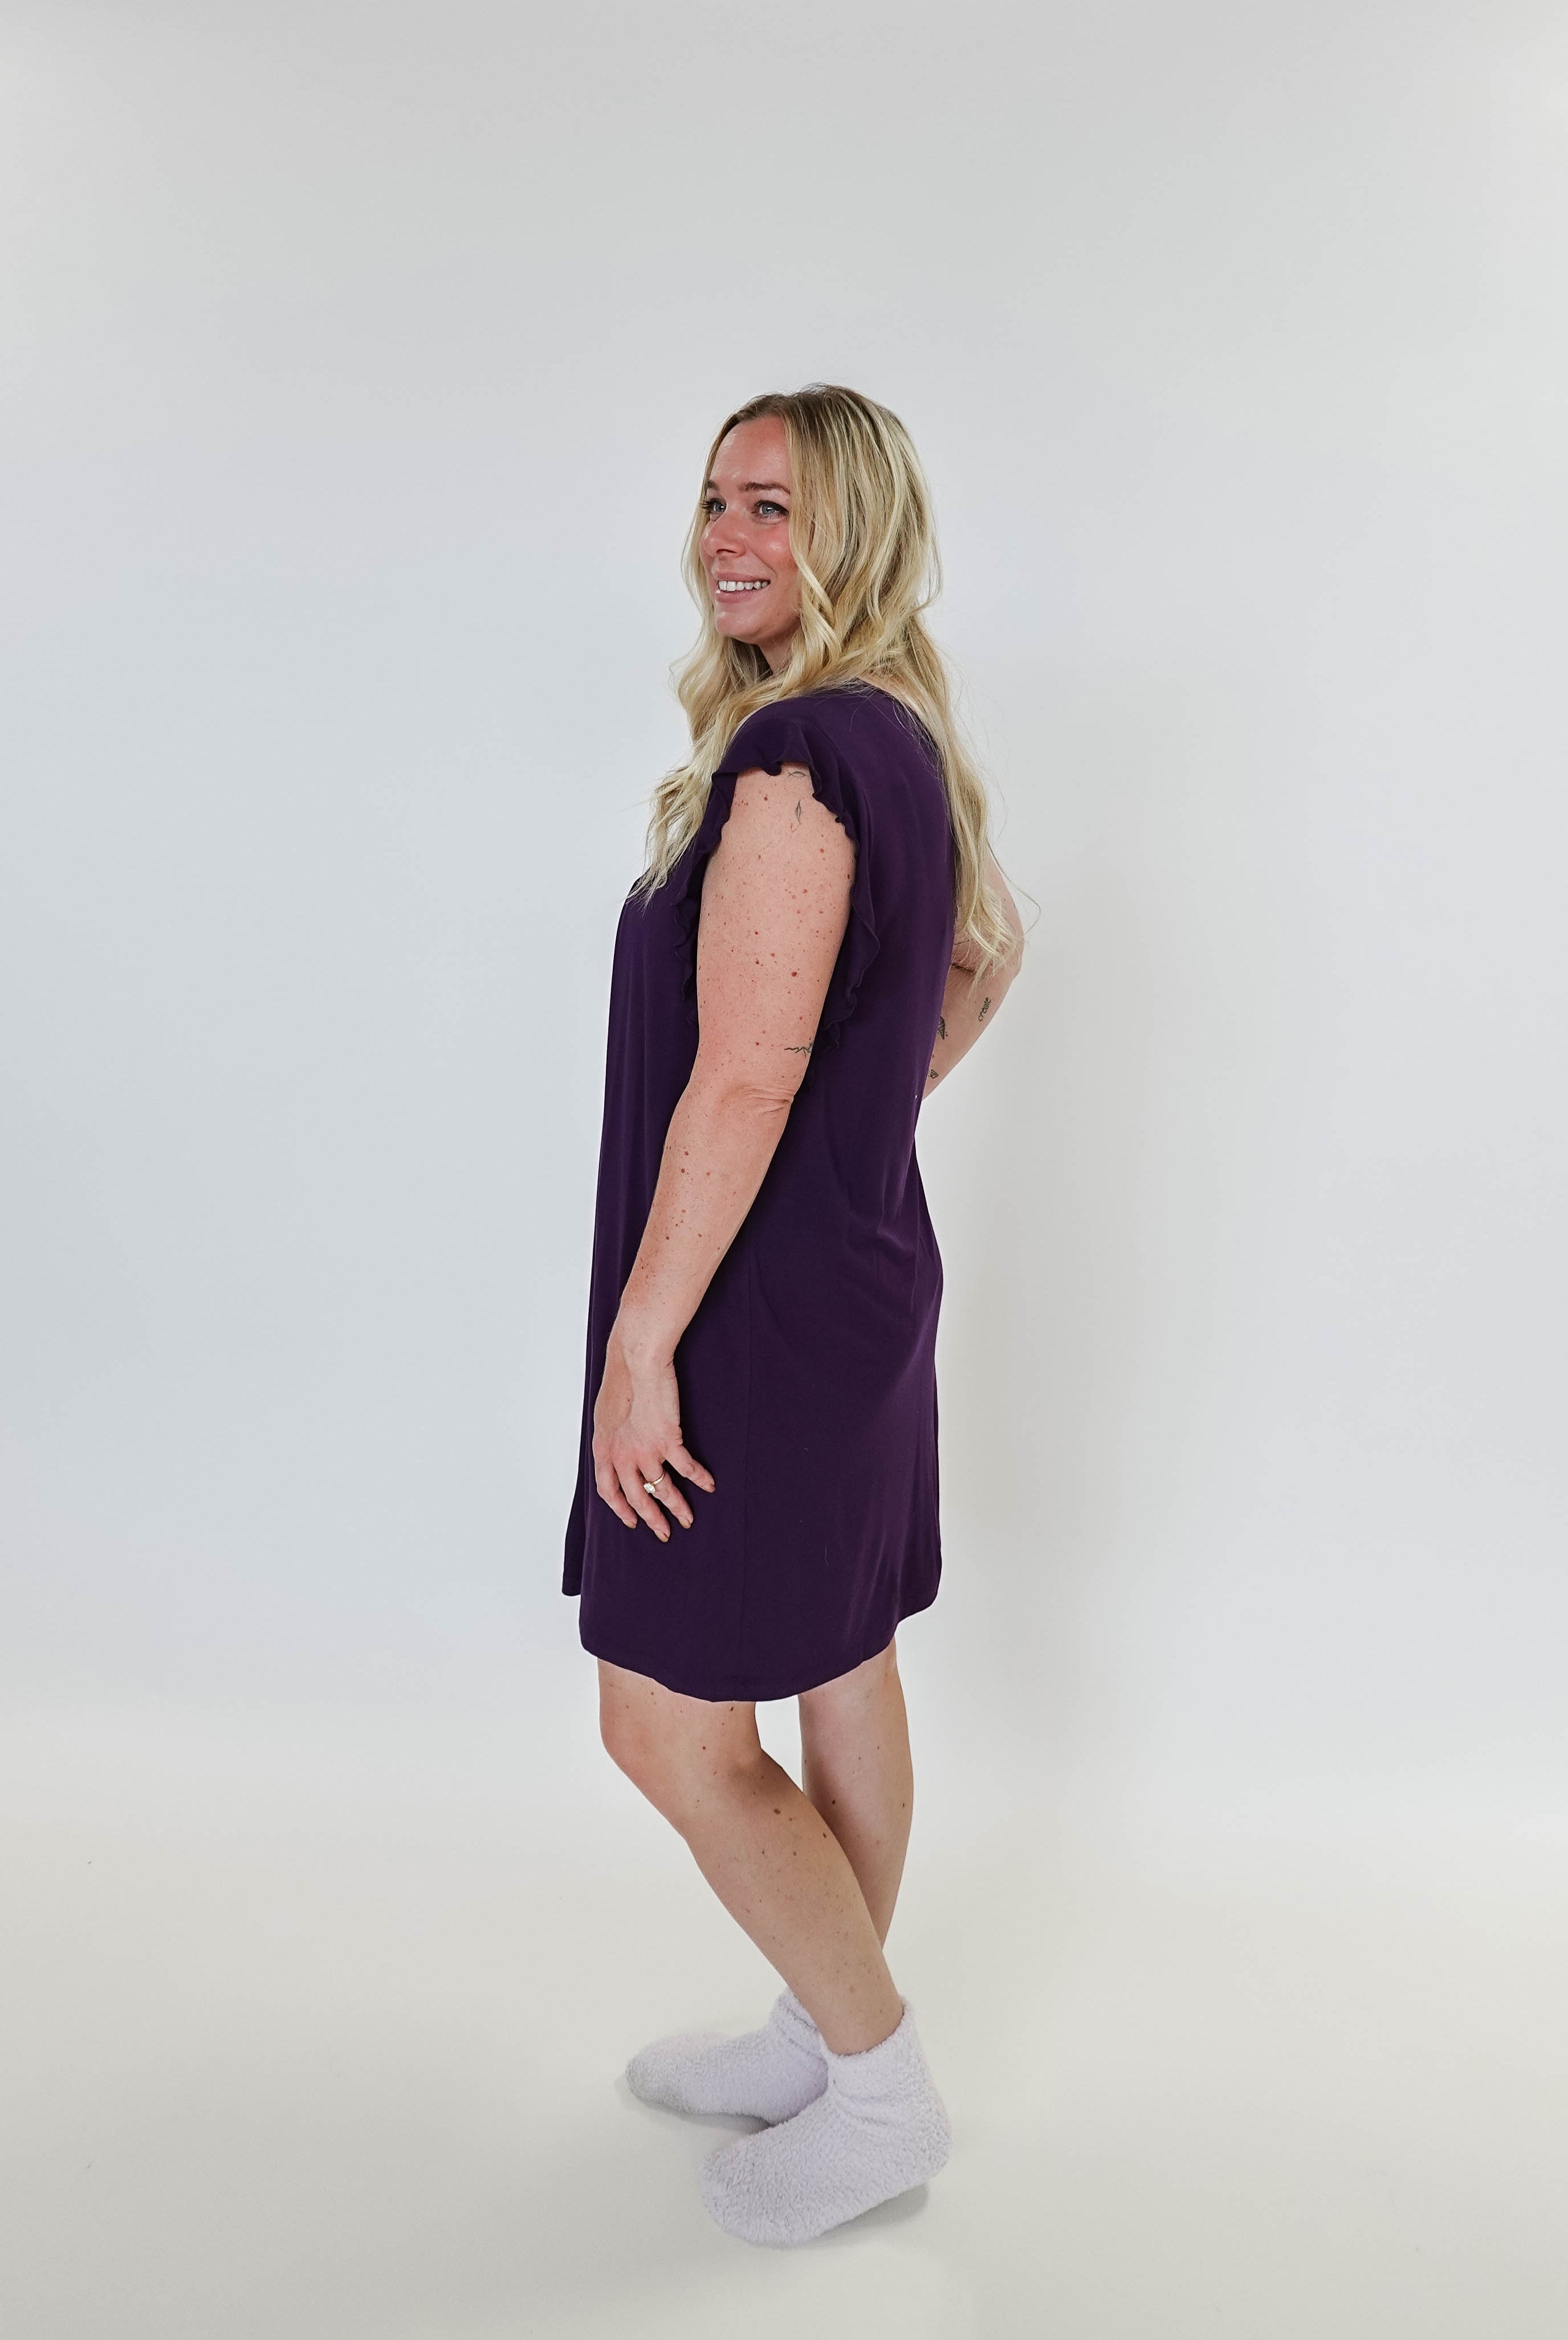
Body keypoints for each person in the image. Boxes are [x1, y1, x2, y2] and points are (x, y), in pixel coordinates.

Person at [562, 384, 1025, 2244]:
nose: (727, 535)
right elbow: (984, 960)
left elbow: (745, 1079)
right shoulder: (898, 737)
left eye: (774, 503)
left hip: (752, 1315)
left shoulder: (794, 759)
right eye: (714, 499)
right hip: (853, 1281)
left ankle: (879, 2082)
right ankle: (824, 2032)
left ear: (856, 529)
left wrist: (641, 1343)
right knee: (840, 1658)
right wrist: (857, 1136)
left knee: (666, 1725)